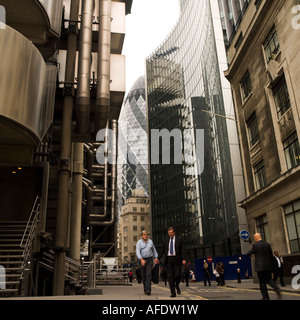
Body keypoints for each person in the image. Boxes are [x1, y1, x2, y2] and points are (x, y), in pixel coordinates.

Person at [247, 233, 281, 300]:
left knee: (262, 282)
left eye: (254, 237)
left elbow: (249, 253)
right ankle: (276, 288)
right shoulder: (267, 244)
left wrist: (250, 254)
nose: (254, 239)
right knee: (269, 279)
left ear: (256, 238)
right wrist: (272, 267)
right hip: (268, 266)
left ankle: (265, 297)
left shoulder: (255, 245)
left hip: (260, 267)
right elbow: (271, 256)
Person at [158, 227, 187, 297]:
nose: (170, 234)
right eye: (169, 233)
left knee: (178, 275)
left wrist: (184, 259)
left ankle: (177, 285)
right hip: (168, 260)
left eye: (171, 233)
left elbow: (182, 249)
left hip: (177, 259)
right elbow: (162, 250)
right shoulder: (166, 240)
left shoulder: (179, 239)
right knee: (170, 277)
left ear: (174, 232)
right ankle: (173, 292)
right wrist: (158, 258)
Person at [136, 230, 159, 295]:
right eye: (144, 234)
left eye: (147, 234)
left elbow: (154, 250)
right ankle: (145, 289)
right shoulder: (139, 243)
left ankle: (148, 289)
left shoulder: (150, 242)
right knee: (144, 275)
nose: (146, 235)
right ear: (142, 236)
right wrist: (141, 259)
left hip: (149, 259)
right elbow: (137, 252)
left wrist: (156, 257)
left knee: (149, 274)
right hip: (142, 259)